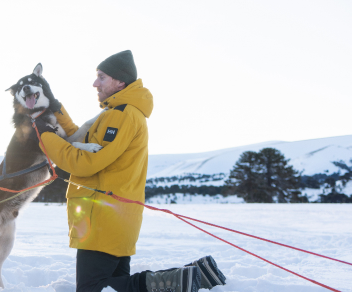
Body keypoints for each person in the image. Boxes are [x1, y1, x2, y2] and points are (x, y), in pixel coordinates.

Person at [34, 50, 227, 292]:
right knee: (113, 287)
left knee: (91, 288)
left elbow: (84, 163)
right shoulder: (116, 113)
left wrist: (44, 136)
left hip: (102, 220)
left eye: (101, 77)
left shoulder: (121, 116)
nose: (95, 83)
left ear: (120, 81)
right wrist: (56, 110)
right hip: (114, 219)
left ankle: (177, 281)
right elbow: (79, 136)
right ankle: (198, 275)